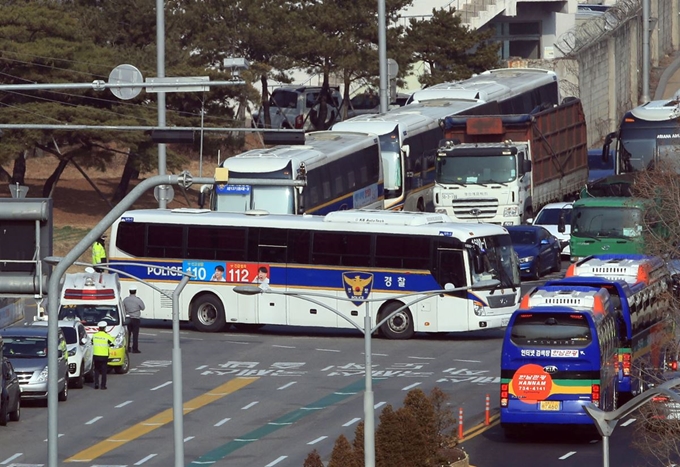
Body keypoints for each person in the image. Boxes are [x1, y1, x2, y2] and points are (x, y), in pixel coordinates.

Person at [92, 321, 115, 389]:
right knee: (104, 371)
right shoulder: (107, 336)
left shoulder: (95, 335)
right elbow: (113, 344)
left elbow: (91, 342)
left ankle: (96, 384)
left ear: (99, 328)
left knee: (96, 370)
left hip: (96, 355)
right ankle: (103, 385)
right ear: (105, 328)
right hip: (104, 355)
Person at [123, 287, 144, 354]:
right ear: (135, 291)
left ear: (129, 291)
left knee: (127, 334)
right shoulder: (138, 300)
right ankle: (135, 349)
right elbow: (143, 307)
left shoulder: (125, 300)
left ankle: (127, 348)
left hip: (128, 318)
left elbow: (123, 307)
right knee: (135, 335)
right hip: (136, 319)